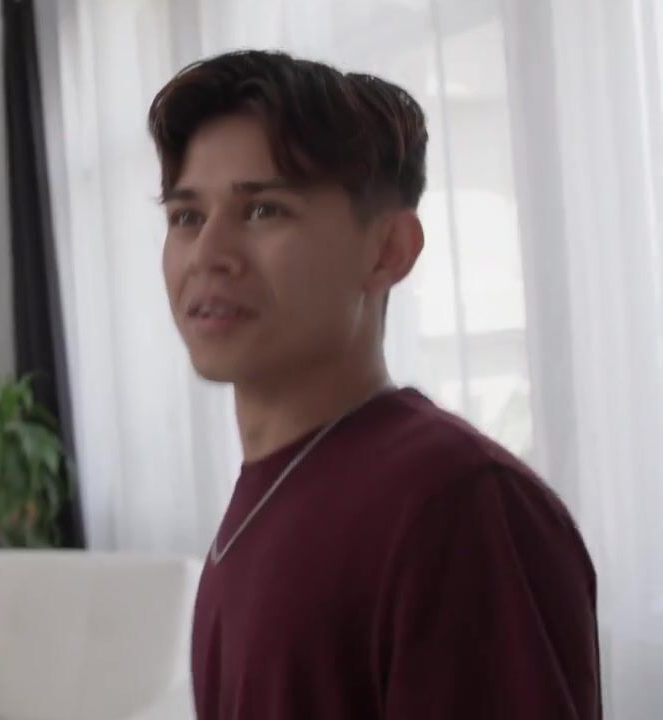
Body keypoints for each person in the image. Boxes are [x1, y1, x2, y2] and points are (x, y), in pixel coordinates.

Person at [149, 50, 600, 719]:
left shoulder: (456, 503)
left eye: (264, 210)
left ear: (389, 250)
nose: (208, 254)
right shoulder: (271, 487)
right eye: (187, 217)